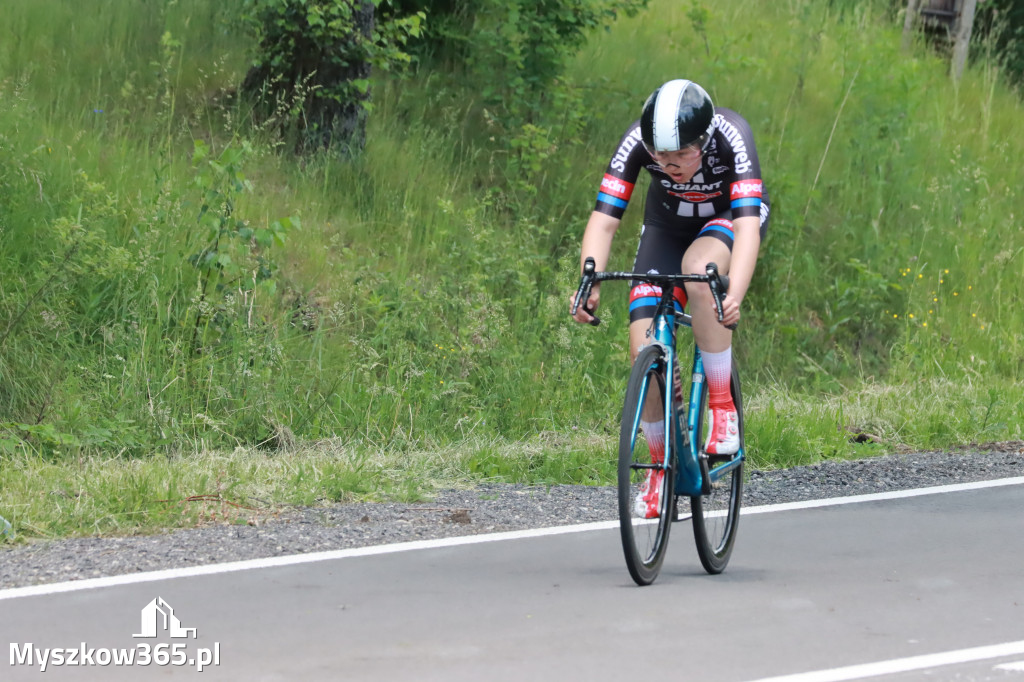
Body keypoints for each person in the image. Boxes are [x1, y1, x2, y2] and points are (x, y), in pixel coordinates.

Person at [570, 78, 769, 518]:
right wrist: (591, 280)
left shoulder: (733, 137)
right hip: (665, 225)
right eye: (661, 155)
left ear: (705, 139)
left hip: (728, 220)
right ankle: (658, 470)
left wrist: (734, 291)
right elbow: (604, 221)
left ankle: (721, 405)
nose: (670, 164)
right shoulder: (638, 142)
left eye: (681, 154)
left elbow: (749, 229)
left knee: (700, 273)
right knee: (642, 345)